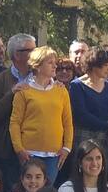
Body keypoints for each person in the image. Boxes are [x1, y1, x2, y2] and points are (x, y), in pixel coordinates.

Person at [9, 45, 73, 184]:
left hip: (54, 154)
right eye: (50, 63)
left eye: (55, 62)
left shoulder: (61, 91)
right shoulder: (23, 91)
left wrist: (67, 147)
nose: (55, 66)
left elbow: (67, 122)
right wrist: (19, 149)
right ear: (37, 66)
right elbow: (15, 123)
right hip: (29, 153)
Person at [0, 33, 37, 190]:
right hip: (8, 152)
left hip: (37, 150)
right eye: (31, 50)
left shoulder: (43, 78)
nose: (36, 53)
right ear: (17, 54)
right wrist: (11, 94)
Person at [68, 46, 108, 153]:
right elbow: (81, 115)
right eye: (106, 65)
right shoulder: (77, 86)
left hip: (105, 138)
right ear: (94, 65)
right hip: (83, 136)